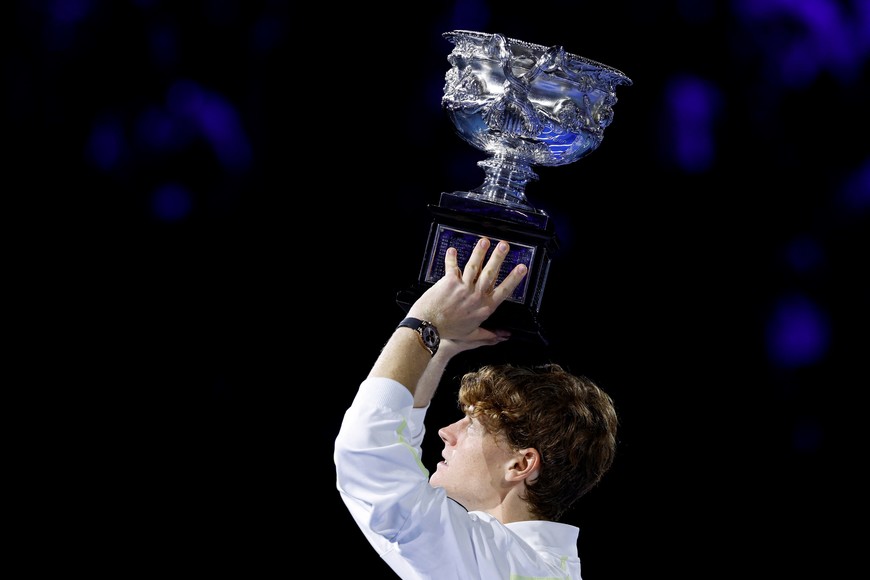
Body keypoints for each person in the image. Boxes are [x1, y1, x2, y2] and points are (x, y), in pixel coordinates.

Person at [334, 237, 619, 579]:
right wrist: (439, 349)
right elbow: (386, 490)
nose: (445, 432)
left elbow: (368, 458)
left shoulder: (502, 564)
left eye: (472, 425)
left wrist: (425, 323)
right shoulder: (509, 562)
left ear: (521, 463)